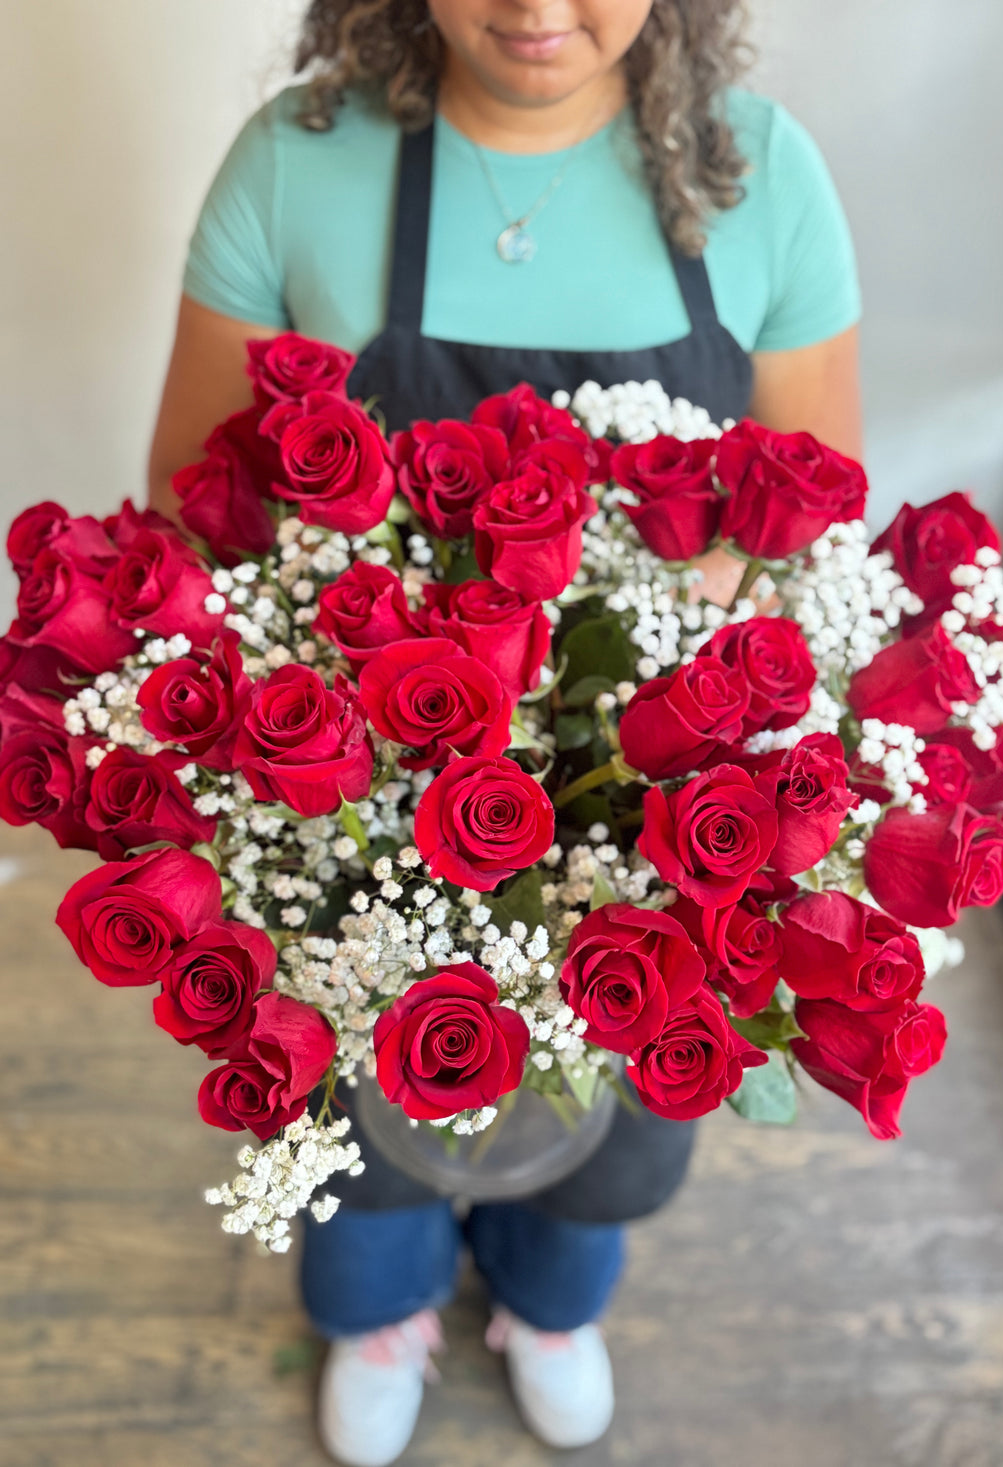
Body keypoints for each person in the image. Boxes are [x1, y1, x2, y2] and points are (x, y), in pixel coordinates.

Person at [149, 3, 863, 1463]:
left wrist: (657, 656)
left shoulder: (762, 174)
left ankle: (546, 1306)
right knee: (362, 1152)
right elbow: (193, 507)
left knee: (607, 1139)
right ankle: (381, 1310)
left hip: (647, 823)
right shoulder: (299, 163)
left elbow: (820, 498)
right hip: (362, 811)